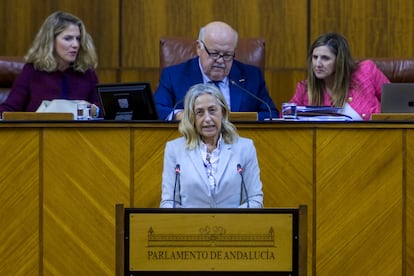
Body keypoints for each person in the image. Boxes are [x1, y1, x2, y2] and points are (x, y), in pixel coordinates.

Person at [160, 83, 263, 208]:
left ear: (223, 112)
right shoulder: (175, 149)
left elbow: (254, 200)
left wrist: (230, 220)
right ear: (191, 117)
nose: (207, 119)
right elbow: (169, 203)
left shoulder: (245, 147)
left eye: (212, 110)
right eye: (199, 112)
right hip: (189, 226)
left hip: (233, 226)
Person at [154, 21, 278, 121]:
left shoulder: (252, 76)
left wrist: (245, 119)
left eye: (227, 55)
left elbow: (271, 113)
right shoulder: (174, 75)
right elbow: (157, 109)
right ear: (199, 48)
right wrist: (180, 115)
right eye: (214, 53)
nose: (220, 60)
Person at [0, 11, 99, 116]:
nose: (75, 44)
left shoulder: (87, 73)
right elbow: (9, 109)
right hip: (40, 131)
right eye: (68, 38)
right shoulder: (32, 71)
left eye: (78, 39)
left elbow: (101, 110)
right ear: (50, 41)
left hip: (77, 132)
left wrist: (94, 110)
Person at [290, 32, 390, 120]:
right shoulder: (305, 89)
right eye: (315, 57)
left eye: (325, 58)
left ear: (340, 61)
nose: (318, 64)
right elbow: (285, 118)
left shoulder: (366, 72)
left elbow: (395, 103)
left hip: (376, 138)